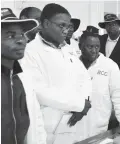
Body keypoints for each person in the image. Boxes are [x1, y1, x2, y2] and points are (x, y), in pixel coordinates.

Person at [19, 3, 92, 144]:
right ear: (46, 23)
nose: (66, 30)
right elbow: (39, 91)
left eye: (68, 26)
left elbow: (85, 78)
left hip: (75, 120)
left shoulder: (69, 49)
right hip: (50, 126)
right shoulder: (30, 52)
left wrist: (85, 103)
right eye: (61, 25)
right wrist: (78, 104)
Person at [77, 32, 120, 140]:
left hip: (98, 123)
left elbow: (118, 95)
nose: (94, 51)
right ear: (80, 46)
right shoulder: (72, 64)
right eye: (90, 47)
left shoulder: (109, 66)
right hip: (75, 123)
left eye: (97, 47)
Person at [1, 8, 47, 144]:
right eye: (10, 35)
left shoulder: (22, 77)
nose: (21, 40)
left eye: (22, 34)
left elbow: (36, 122)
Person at [98, 13, 120, 129]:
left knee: (118, 110)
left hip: (119, 81)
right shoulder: (100, 39)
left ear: (118, 25)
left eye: (114, 24)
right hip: (100, 81)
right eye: (108, 25)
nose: (111, 27)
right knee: (102, 112)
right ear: (105, 27)